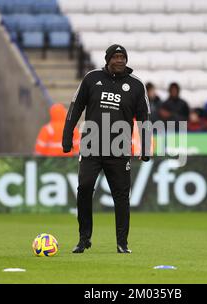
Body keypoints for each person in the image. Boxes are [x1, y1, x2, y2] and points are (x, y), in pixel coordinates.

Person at [62, 44, 151, 254]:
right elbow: (75, 108)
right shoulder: (91, 79)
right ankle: (84, 239)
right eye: (116, 57)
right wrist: (67, 138)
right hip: (91, 146)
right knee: (84, 189)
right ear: (108, 59)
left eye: (123, 57)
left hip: (119, 149)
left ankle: (122, 243)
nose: (120, 60)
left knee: (121, 196)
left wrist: (146, 147)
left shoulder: (136, 85)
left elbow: (145, 118)